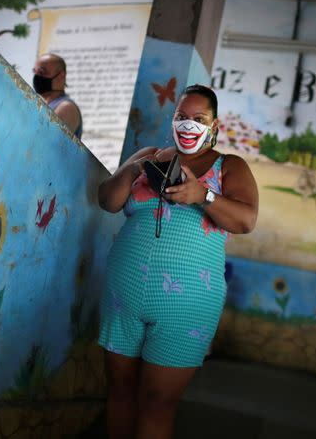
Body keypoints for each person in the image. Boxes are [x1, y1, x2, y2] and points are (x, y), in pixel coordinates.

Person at [96, 84, 258, 439]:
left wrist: (204, 194)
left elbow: (246, 220)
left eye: (199, 119)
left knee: (157, 403)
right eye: (182, 117)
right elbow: (107, 200)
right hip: (122, 297)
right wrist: (133, 169)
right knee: (119, 392)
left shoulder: (229, 167)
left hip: (186, 307)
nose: (189, 125)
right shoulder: (151, 155)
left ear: (214, 126)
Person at [32, 53, 82, 138]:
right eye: (35, 72)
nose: (37, 77)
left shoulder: (66, 107)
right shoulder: (42, 106)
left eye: (42, 72)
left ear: (61, 76)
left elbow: (44, 141)